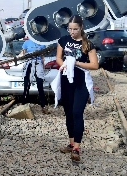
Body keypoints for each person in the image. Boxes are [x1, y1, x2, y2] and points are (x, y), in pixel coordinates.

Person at [54, 15, 98, 162]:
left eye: (75, 29)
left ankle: (77, 148)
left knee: (77, 112)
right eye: (70, 29)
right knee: (68, 113)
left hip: (81, 82)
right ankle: (71, 143)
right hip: (66, 80)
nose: (72, 32)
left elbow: (94, 65)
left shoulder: (88, 44)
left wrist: (77, 63)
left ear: (81, 28)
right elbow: (58, 58)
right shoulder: (63, 40)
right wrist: (64, 64)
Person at [20, 38, 50, 114]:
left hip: (38, 64)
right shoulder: (27, 42)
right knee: (27, 85)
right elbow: (22, 53)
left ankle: (43, 106)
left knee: (40, 85)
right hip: (29, 64)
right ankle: (23, 105)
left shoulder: (42, 43)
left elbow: (42, 57)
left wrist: (43, 67)